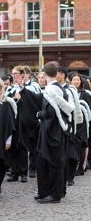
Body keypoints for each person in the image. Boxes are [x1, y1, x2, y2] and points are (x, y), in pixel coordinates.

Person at [31, 62, 74, 203]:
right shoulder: (55, 88)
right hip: (49, 132)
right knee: (42, 162)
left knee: (54, 164)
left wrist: (39, 114)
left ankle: (55, 195)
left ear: (45, 73)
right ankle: (44, 192)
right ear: (56, 74)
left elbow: (51, 112)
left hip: (53, 132)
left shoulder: (53, 90)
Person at [70, 73, 91, 175]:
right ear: (70, 81)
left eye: (78, 80)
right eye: (74, 80)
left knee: (83, 144)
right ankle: (73, 166)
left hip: (83, 122)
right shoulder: (68, 92)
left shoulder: (85, 94)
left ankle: (81, 167)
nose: (76, 82)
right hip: (72, 122)